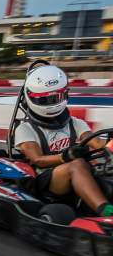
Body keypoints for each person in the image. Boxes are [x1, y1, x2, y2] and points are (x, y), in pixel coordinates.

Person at [14, 64, 113, 217]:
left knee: (101, 165)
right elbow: (37, 160)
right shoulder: (25, 129)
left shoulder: (76, 123)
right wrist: (65, 157)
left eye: (57, 97)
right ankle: (105, 211)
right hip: (45, 181)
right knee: (77, 164)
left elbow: (98, 144)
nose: (53, 103)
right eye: (46, 99)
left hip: (78, 172)